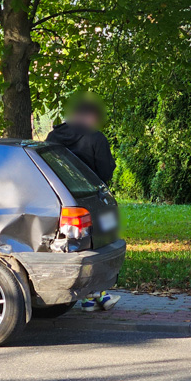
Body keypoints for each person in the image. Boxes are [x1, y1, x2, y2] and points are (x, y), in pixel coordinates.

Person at [46, 93, 120, 312]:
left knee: (75, 249)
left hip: (60, 200)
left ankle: (92, 296)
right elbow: (106, 171)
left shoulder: (52, 136)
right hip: (91, 199)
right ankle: (94, 297)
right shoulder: (96, 138)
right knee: (100, 245)